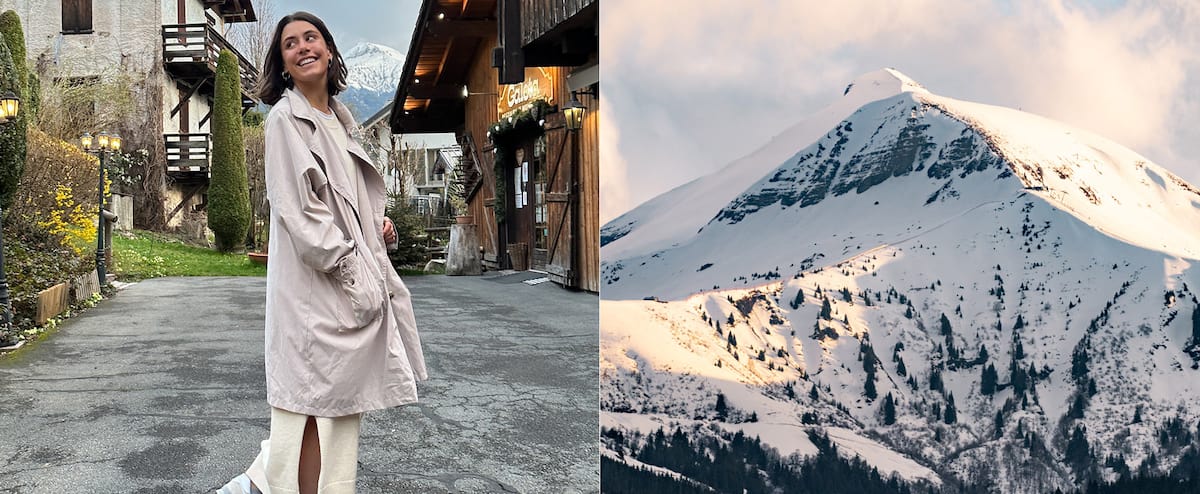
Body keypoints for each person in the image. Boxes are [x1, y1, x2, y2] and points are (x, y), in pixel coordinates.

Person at [218, 11, 427, 494]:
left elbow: (347, 202)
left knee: (339, 408)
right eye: (290, 43)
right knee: (306, 406)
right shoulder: (284, 121)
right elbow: (301, 214)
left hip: (346, 278)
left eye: (311, 37)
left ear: (330, 50)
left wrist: (378, 229)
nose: (302, 47)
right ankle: (271, 485)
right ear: (283, 64)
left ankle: (286, 485)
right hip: (316, 285)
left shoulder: (342, 122)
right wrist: (357, 275)